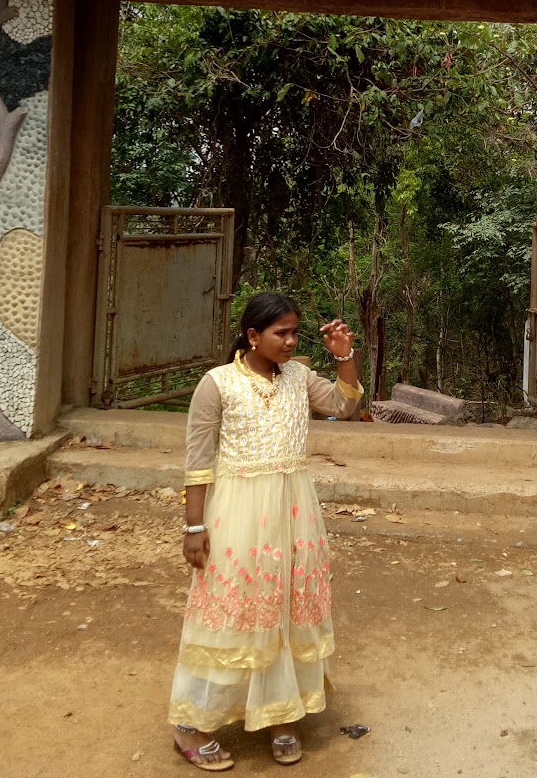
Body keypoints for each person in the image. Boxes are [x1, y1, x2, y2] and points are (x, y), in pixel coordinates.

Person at [168, 292, 365, 770]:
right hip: (237, 511)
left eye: (296, 332)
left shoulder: (299, 376)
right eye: (281, 333)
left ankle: (281, 714)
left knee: (288, 603)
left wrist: (344, 356)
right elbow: (198, 462)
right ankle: (191, 722)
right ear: (253, 336)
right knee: (234, 605)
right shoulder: (217, 384)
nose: (291, 341)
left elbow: (346, 406)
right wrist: (194, 527)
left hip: (296, 510)